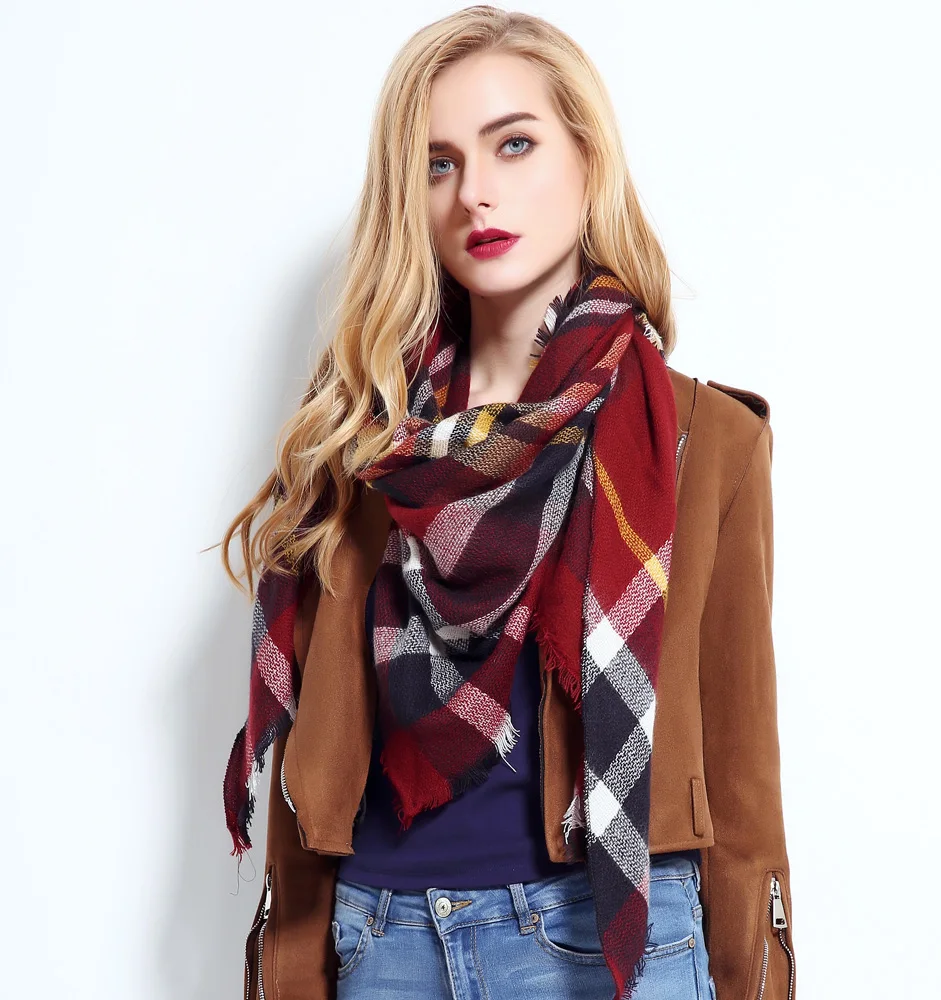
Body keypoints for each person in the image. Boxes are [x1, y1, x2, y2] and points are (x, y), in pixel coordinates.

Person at [219, 7, 796, 1000]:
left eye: (513, 144)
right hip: (383, 944)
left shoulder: (704, 442)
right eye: (438, 164)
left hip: (606, 944)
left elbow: (743, 779)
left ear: (586, 158)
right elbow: (312, 764)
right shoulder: (359, 440)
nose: (474, 193)